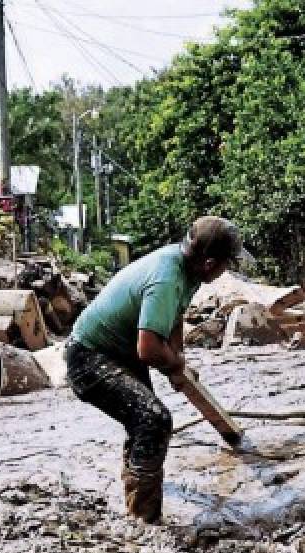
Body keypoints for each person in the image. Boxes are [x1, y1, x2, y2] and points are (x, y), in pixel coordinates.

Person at [65, 216, 245, 524]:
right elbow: (147, 349)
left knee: (143, 421)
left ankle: (135, 502)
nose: (226, 270)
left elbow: (173, 319)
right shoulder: (166, 277)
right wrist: (172, 363)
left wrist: (177, 359)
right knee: (153, 419)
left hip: (116, 352)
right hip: (90, 357)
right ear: (209, 262)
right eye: (226, 264)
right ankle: (144, 521)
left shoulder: (185, 269)